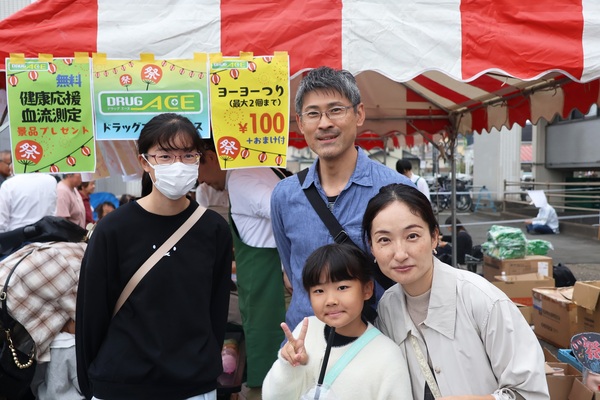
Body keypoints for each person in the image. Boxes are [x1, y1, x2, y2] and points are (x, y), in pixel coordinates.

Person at [76, 113, 233, 400]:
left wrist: (206, 366)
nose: (178, 165)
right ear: (144, 162)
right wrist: (92, 383)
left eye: (188, 155)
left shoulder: (214, 229)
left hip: (193, 385)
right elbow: (92, 312)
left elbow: (216, 310)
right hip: (122, 382)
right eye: (165, 156)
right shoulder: (113, 229)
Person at [362, 184, 549, 399]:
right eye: (384, 240)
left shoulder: (483, 301)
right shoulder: (387, 307)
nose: (400, 253)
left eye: (412, 236)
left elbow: (531, 393)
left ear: (434, 237)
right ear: (372, 247)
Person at [271, 66, 414, 330]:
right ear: (301, 123)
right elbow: (296, 275)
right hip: (307, 348)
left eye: (336, 110)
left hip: (380, 343)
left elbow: (415, 275)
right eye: (313, 113)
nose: (324, 123)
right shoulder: (284, 195)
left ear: (359, 114)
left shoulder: (398, 190)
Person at [262, 243, 412, 400]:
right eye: (319, 291)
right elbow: (271, 397)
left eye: (342, 287)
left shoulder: (387, 355)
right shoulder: (307, 332)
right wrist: (289, 365)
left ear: (367, 289)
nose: (331, 300)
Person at [197, 138, 287, 398]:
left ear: (211, 157)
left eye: (197, 167)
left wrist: (287, 268)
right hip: (261, 291)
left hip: (272, 295)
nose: (201, 181)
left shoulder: (241, 179)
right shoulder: (254, 171)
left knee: (273, 379)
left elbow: (287, 212)